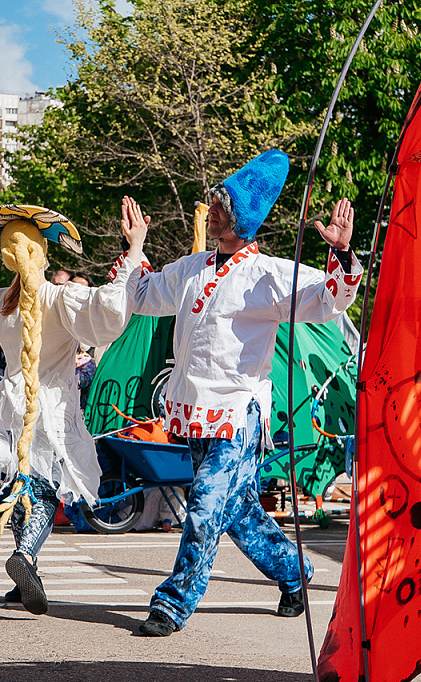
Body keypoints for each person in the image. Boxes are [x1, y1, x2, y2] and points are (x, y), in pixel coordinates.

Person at [125, 150, 364, 636]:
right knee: (238, 513)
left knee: (205, 507)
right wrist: (136, 246)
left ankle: (172, 603)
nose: (211, 211)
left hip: (238, 414)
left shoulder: (268, 274)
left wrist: (339, 255)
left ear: (242, 217)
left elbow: (328, 300)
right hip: (193, 411)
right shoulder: (191, 268)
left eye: (221, 205)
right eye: (214, 202)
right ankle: (295, 574)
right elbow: (144, 295)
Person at [0, 200, 147, 615]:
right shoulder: (62, 296)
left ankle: (24, 569)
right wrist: (134, 247)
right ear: (42, 252)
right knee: (46, 488)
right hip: (51, 403)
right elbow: (108, 308)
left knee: (22, 484)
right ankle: (27, 555)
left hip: (11, 401)